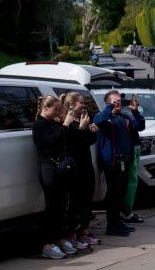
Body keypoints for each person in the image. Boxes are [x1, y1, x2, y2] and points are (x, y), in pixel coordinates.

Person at [32, 96, 77, 258]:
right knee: (51, 205)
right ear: (46, 108)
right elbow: (52, 141)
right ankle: (47, 243)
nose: (58, 113)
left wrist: (68, 123)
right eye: (56, 110)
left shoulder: (53, 123)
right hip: (48, 166)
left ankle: (59, 238)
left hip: (59, 166)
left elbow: (65, 140)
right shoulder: (39, 125)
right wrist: (64, 125)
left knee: (61, 205)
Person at [94, 90, 144, 236]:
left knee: (121, 194)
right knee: (113, 195)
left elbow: (139, 126)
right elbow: (97, 120)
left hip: (125, 161)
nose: (118, 102)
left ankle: (118, 222)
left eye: (119, 101)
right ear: (108, 102)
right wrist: (109, 107)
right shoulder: (105, 117)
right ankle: (112, 226)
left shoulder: (124, 117)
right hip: (112, 162)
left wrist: (136, 112)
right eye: (114, 100)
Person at [60, 92, 99, 247]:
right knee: (76, 201)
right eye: (81, 103)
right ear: (71, 105)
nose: (84, 105)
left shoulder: (81, 119)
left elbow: (86, 141)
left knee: (87, 199)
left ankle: (85, 230)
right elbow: (70, 144)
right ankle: (73, 234)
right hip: (75, 166)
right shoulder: (67, 121)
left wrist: (91, 130)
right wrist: (81, 128)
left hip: (86, 163)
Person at [120, 94, 145, 224]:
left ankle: (126, 210)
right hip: (128, 150)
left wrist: (135, 111)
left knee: (131, 180)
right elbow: (135, 126)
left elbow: (141, 126)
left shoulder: (130, 112)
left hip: (133, 148)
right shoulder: (122, 113)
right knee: (131, 180)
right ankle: (126, 211)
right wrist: (131, 112)